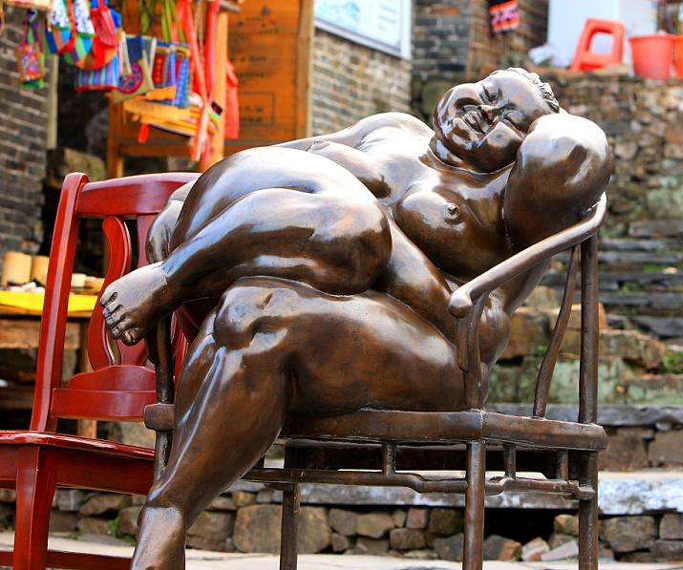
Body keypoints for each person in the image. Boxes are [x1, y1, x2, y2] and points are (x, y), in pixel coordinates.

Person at [101, 68, 612, 569]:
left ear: (526, 154)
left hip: (428, 347)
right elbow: (275, 158)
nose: (483, 112)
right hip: (260, 272)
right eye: (487, 92)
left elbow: (485, 325)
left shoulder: (503, 208)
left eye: (509, 120)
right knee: (309, 259)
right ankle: (179, 274)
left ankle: (166, 513)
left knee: (259, 307)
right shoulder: (392, 128)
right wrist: (183, 202)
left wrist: (386, 247)